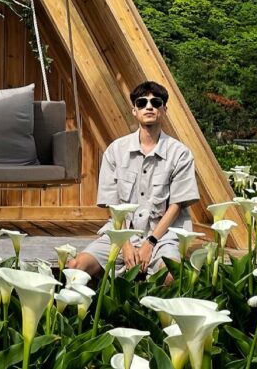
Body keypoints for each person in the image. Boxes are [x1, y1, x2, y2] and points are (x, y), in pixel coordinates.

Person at [67, 81, 199, 279]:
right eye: (141, 103)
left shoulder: (180, 153)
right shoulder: (115, 151)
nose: (149, 107)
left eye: (156, 102)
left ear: (164, 109)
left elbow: (177, 205)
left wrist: (150, 243)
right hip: (120, 233)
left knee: (172, 275)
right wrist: (125, 244)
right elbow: (112, 206)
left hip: (163, 237)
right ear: (134, 110)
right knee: (76, 267)